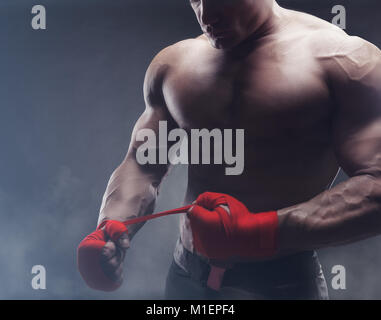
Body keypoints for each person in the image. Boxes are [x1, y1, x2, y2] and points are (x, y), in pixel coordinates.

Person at [77, 0, 381, 299]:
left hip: (281, 285)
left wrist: (258, 234)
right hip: (186, 276)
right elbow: (143, 165)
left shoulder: (345, 60)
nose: (206, 14)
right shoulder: (175, 64)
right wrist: (111, 228)